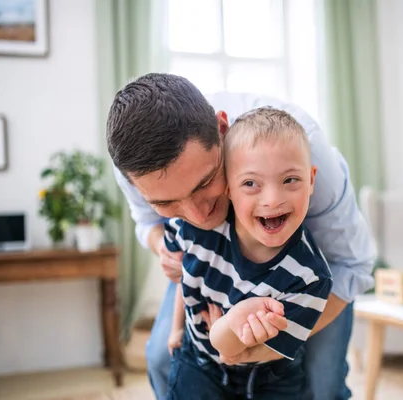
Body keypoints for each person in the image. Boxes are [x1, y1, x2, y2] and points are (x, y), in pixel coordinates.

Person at [107, 73, 376, 400]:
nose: (197, 217)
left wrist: (261, 351)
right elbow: (147, 224)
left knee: (323, 384)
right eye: (167, 201)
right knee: (164, 358)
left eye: (204, 183)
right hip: (212, 264)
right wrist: (163, 246)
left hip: (310, 284)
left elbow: (353, 265)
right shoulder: (132, 168)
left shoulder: (303, 151)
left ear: (222, 131)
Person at [164, 107, 333, 399]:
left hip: (267, 373)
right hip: (198, 362)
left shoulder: (311, 277)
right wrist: (176, 329)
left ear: (312, 179)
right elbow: (186, 276)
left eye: (290, 180)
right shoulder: (192, 228)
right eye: (251, 183)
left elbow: (239, 352)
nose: (272, 199)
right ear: (228, 188)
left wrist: (228, 328)